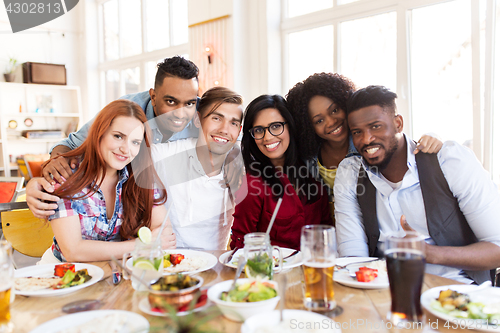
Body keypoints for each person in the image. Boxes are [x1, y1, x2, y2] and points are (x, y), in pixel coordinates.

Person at [334, 85, 500, 284]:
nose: (366, 139)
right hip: (384, 291)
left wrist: (430, 253)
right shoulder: (350, 173)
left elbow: (496, 247)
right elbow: (354, 258)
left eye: (376, 126)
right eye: (357, 132)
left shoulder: (450, 161)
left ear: (398, 123)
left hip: (456, 292)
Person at [26, 56, 200, 218]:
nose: (180, 113)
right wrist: (55, 163)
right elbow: (69, 146)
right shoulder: (126, 112)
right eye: (170, 102)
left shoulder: (204, 116)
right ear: (153, 97)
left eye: (190, 103)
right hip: (125, 206)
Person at [286, 73, 443, 221]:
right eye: (319, 121)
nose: (331, 122)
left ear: (345, 104)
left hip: (368, 232)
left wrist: (432, 137)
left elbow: (401, 147)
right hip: (326, 232)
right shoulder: (308, 157)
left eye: (335, 110)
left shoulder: (368, 143)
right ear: (308, 126)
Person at [40, 100, 176, 263]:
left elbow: (164, 231)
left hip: (118, 270)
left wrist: (157, 239)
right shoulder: (66, 176)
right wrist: (141, 245)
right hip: (65, 273)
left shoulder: (141, 177)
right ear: (100, 133)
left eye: (135, 142)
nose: (126, 149)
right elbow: (73, 251)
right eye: (118, 136)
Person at [230, 95, 332, 251]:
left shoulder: (312, 172)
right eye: (258, 130)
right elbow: (239, 247)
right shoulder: (252, 185)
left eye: (276, 126)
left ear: (290, 126)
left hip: (315, 271)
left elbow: (328, 235)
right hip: (274, 272)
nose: (268, 137)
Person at [151, 86, 244, 250]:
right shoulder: (167, 155)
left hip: (216, 269)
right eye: (216, 118)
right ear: (197, 119)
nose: (224, 129)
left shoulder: (241, 167)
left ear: (239, 131)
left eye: (233, 123)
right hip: (171, 265)